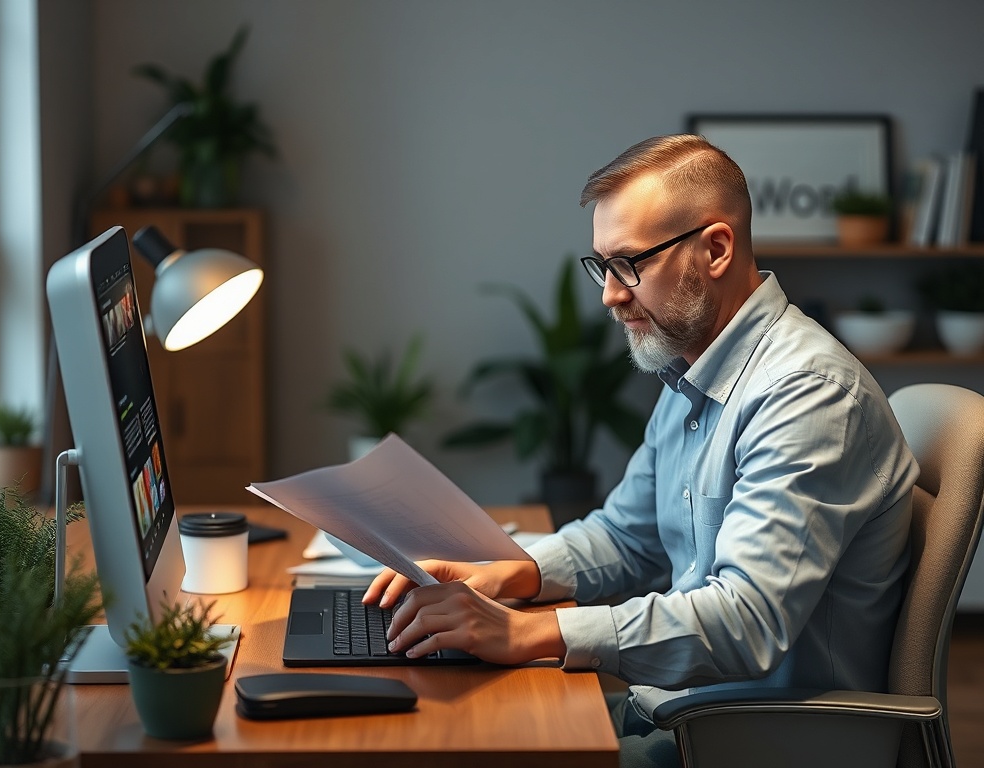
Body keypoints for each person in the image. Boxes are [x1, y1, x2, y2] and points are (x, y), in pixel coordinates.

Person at [363, 134, 918, 767]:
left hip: (758, 738)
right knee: (452, 732)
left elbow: (747, 621)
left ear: (715, 249)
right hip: (684, 709)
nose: (610, 294)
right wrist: (511, 573)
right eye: (602, 266)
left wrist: (526, 631)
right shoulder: (692, 371)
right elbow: (629, 536)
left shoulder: (807, 395)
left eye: (631, 264)